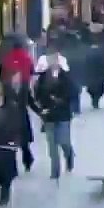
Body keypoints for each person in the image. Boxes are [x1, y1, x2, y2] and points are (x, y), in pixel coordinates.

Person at [32, 52, 77, 180]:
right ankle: (55, 172)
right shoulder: (43, 77)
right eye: (50, 59)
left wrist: (60, 99)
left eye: (55, 59)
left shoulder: (65, 76)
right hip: (49, 115)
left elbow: (72, 92)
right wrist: (42, 107)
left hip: (63, 114)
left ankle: (69, 155)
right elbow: (38, 94)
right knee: (52, 146)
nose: (53, 61)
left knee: (64, 141)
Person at [0, 81, 20, 207]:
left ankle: (4, 195)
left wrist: (15, 140)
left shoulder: (11, 106)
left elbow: (16, 124)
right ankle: (3, 185)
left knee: (6, 170)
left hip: (7, 143)